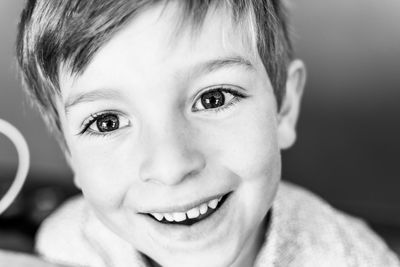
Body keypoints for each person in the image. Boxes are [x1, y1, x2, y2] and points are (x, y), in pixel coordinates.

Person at [16, 0, 400, 266]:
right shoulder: (69, 247)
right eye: (107, 123)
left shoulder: (354, 258)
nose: (171, 167)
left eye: (214, 98)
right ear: (70, 154)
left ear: (283, 106)